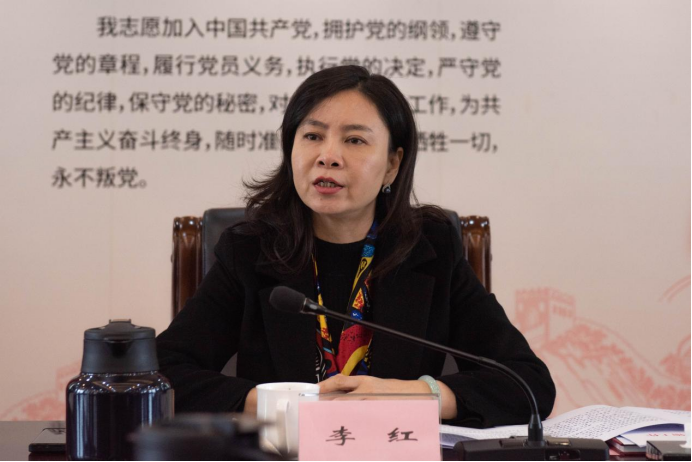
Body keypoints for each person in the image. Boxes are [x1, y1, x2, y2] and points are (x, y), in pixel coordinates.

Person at [156, 65, 555, 428]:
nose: (328, 156)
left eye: (355, 140)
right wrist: (280, 403)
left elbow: (528, 383)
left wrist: (417, 396)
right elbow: (162, 373)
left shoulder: (429, 248)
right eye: (312, 136)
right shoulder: (250, 249)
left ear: (393, 164)